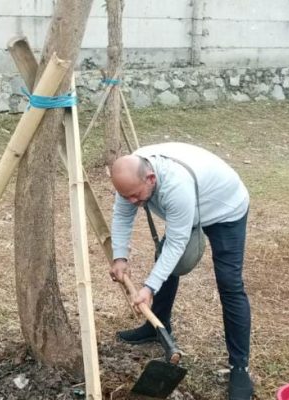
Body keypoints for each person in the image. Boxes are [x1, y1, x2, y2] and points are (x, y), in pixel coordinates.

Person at [109, 142, 253, 399]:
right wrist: (119, 256)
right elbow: (122, 216)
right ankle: (157, 328)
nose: (132, 201)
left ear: (151, 178)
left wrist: (148, 287)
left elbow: (176, 244)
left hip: (224, 209)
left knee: (229, 284)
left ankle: (240, 367)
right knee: (164, 263)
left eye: (135, 195)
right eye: (126, 195)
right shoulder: (130, 180)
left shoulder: (176, 186)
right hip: (191, 205)